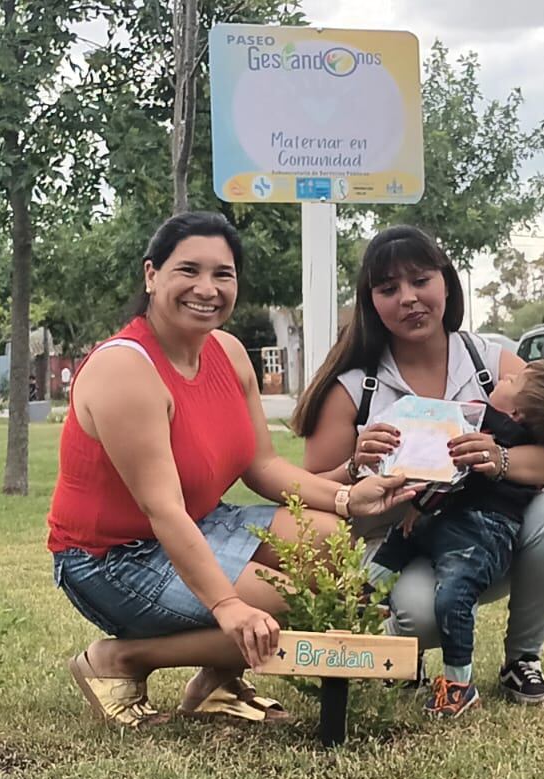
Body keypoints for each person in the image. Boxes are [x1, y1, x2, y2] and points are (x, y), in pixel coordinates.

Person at [48, 211, 415, 729]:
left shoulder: (228, 352)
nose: (208, 288)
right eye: (188, 271)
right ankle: (118, 660)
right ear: (151, 275)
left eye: (223, 274)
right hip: (111, 561)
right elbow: (163, 510)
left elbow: (261, 465)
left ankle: (216, 684)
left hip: (200, 523)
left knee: (335, 547)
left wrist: (344, 498)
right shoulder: (124, 369)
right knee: (289, 604)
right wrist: (228, 605)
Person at [294, 225, 544, 707]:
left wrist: (500, 458)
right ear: (371, 302)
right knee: (418, 616)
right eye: (389, 289)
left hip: (482, 539)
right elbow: (304, 493)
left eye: (420, 281)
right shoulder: (355, 388)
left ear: (446, 284)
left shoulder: (493, 364)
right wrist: (354, 467)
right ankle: (399, 653)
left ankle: (522, 663)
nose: (409, 298)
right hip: (402, 545)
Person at [368, 361, 544, 717]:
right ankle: (396, 645)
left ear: (515, 413)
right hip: (457, 524)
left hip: (477, 534)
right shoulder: (517, 429)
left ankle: (462, 683)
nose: (504, 377)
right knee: (421, 578)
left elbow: (452, 474)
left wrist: (423, 505)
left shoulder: (487, 421)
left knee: (438, 582)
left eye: (512, 380)